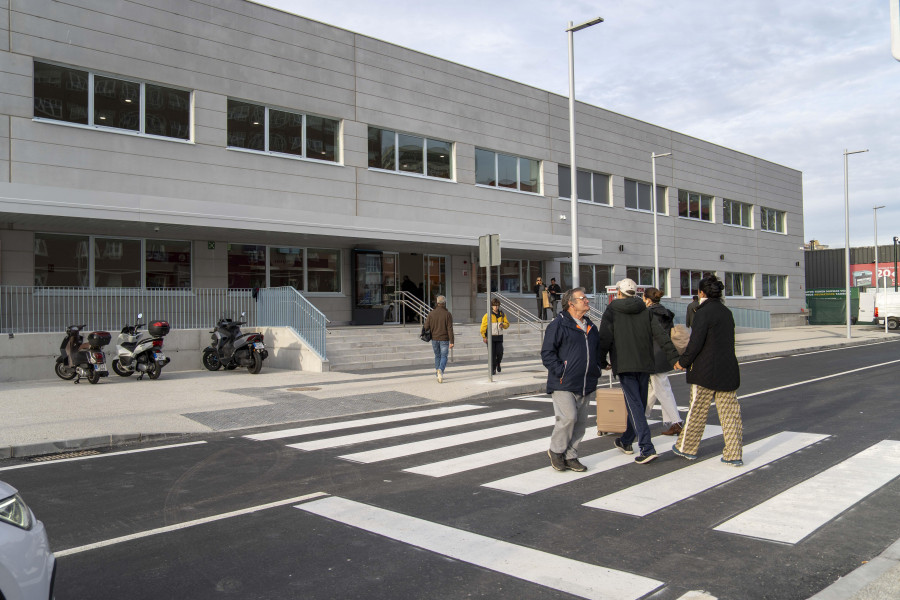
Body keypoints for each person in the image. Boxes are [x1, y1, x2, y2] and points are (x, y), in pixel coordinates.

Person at [598, 278, 681, 464]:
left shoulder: (612, 310)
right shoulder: (645, 310)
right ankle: (627, 440)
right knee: (639, 405)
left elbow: (604, 338)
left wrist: (601, 361)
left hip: (625, 365)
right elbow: (661, 335)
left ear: (618, 292)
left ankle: (646, 447)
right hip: (645, 364)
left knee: (635, 406)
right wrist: (674, 357)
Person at [673, 275, 743, 466]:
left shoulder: (702, 313)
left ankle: (686, 448)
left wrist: (683, 362)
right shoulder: (726, 312)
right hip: (727, 369)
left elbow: (695, 343)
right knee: (730, 414)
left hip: (704, 370)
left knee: (697, 410)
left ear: (701, 293)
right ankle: (734, 453)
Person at [540, 287, 602, 472]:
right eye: (582, 298)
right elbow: (547, 353)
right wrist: (561, 371)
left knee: (581, 422)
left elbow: (596, 351)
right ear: (571, 303)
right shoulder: (558, 325)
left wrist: (598, 367)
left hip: (586, 381)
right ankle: (556, 451)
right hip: (563, 382)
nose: (587, 301)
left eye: (586, 298)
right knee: (568, 418)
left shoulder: (590, 326)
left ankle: (571, 455)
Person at [642, 287, 684, 436]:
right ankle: (642, 416)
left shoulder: (648, 313)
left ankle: (676, 421)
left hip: (653, 355)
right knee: (655, 389)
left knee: (662, 389)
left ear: (647, 299)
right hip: (664, 354)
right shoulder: (666, 312)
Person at [423, 295, 454, 383]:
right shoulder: (447, 314)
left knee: (437, 356)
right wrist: (452, 341)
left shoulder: (431, 313)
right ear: (444, 303)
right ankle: (440, 370)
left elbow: (426, 326)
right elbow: (450, 328)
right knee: (444, 356)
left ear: (437, 302)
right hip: (444, 338)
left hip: (434, 338)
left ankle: (438, 374)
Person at [480, 298, 509, 375]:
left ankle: (498, 363)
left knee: (500, 352)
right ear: (492, 306)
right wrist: (484, 336)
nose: (496, 307)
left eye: (497, 305)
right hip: (490, 337)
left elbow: (507, 324)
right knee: (492, 354)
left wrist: (503, 325)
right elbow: (483, 326)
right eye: (494, 305)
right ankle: (493, 369)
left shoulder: (502, 314)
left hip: (499, 337)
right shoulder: (487, 315)